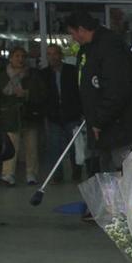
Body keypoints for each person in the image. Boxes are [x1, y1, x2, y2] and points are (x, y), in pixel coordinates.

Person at [65, 11, 132, 172]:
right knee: (106, 172)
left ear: (81, 29)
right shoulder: (88, 49)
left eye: (73, 33)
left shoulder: (110, 46)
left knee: (123, 172)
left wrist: (99, 119)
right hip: (104, 124)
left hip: (120, 126)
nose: (73, 38)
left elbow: (117, 89)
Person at [0, 47, 46, 186]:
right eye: (17, 56)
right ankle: (8, 174)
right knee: (10, 148)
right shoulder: (2, 76)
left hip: (29, 115)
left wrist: (27, 94)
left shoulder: (33, 75)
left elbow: (42, 93)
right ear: (10, 58)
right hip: (10, 116)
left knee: (31, 148)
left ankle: (31, 174)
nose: (20, 59)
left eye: (23, 56)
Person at [41, 44, 83, 182]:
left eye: (55, 53)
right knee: (54, 148)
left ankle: (76, 173)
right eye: (49, 54)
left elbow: (78, 92)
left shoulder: (72, 71)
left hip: (72, 113)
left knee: (74, 148)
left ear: (61, 55)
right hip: (54, 116)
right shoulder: (44, 74)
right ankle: (57, 175)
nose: (53, 57)